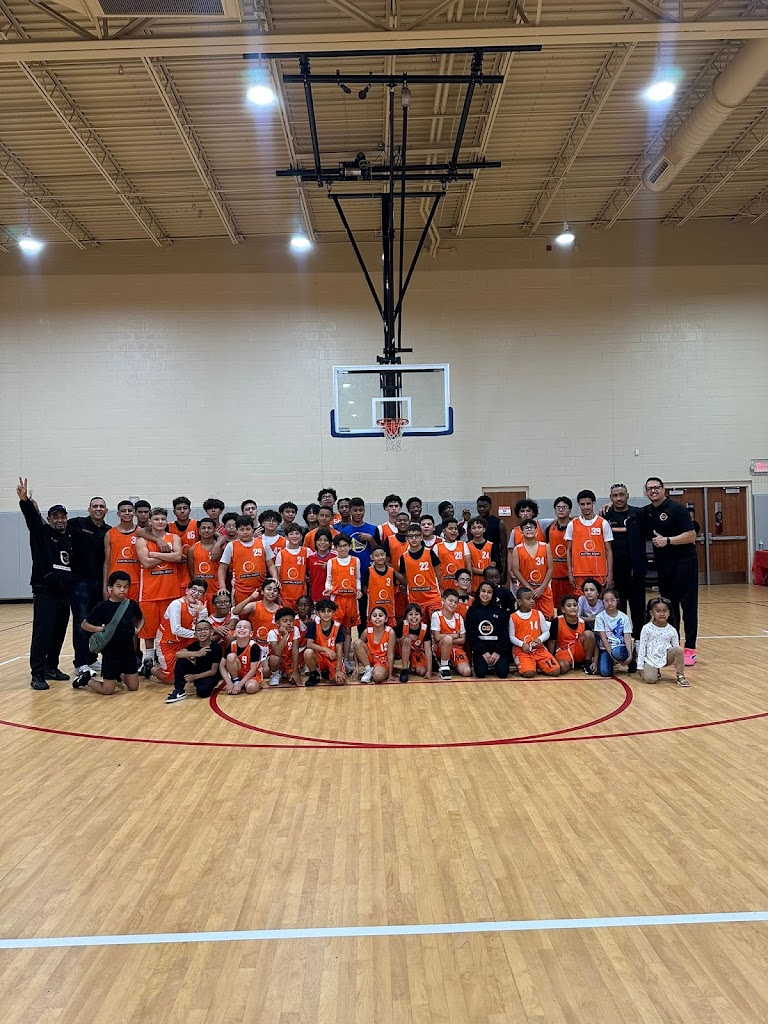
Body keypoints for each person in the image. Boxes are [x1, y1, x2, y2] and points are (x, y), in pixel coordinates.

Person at [17, 477, 74, 690]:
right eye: (55, 517)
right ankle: (37, 674)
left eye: (62, 516)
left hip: (64, 594)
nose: (59, 520)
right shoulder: (42, 534)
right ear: (49, 519)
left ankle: (51, 667)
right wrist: (25, 502)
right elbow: (33, 520)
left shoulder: (69, 538)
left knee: (59, 633)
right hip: (46, 593)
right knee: (43, 634)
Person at [643, 477, 699, 667]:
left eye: (656, 487)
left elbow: (691, 535)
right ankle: (674, 645)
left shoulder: (678, 509)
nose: (653, 491)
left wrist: (667, 540)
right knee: (669, 606)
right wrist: (608, 505)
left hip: (684, 562)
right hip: (664, 565)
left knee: (688, 605)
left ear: (663, 489)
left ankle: (690, 647)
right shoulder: (647, 512)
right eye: (649, 489)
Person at [77, 570, 144, 695]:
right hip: (111, 654)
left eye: (125, 587)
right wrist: (99, 629)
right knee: (107, 691)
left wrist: (138, 629)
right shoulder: (102, 606)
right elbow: (84, 624)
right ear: (110, 588)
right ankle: (85, 680)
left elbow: (141, 617)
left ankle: (119, 674)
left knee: (134, 687)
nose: (122, 590)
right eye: (118, 586)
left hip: (129, 652)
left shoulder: (131, 604)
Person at [136, 507, 183, 677]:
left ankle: (163, 659)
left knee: (168, 629)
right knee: (149, 629)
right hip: (149, 593)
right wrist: (166, 555)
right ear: (150, 521)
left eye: (163, 519)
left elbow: (178, 557)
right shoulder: (141, 540)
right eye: (156, 519)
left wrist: (154, 554)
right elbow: (146, 563)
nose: (160, 522)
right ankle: (148, 659)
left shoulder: (174, 537)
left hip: (170, 592)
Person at [67, 494, 110, 679]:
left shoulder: (108, 531)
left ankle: (92, 658)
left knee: (96, 623)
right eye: (95, 506)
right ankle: (80, 662)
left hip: (101, 583)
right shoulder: (77, 524)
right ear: (89, 509)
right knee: (81, 622)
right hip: (80, 582)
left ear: (106, 510)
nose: (98, 509)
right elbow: (53, 526)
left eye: (101, 506)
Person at [603, 483, 646, 644]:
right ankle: (619, 642)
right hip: (615, 572)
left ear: (628, 495)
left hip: (636, 571)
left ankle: (639, 641)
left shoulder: (639, 514)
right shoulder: (606, 516)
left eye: (622, 495)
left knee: (638, 608)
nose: (619, 498)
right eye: (615, 496)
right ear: (610, 498)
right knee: (617, 607)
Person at [151, 579, 209, 684]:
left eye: (200, 592)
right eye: (194, 589)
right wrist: (196, 634)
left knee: (205, 640)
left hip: (185, 640)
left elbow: (202, 627)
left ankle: (193, 665)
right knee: (171, 680)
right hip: (167, 642)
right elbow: (176, 629)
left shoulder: (200, 607)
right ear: (187, 590)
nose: (196, 593)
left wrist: (203, 613)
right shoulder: (176, 604)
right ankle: (153, 669)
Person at [218, 515, 276, 605]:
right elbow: (222, 569)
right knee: (239, 613)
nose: (245, 532)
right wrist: (222, 587)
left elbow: (271, 565)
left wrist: (275, 579)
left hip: (260, 590)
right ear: (237, 531)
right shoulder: (231, 546)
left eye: (248, 529)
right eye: (242, 529)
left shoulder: (263, 543)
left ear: (253, 529)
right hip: (240, 591)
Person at [565, 489, 613, 593]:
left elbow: (608, 550)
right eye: (582, 504)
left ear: (593, 503)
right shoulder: (572, 524)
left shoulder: (603, 523)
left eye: (588, 504)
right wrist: (570, 573)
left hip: (599, 572)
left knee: (599, 600)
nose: (585, 507)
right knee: (580, 601)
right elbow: (568, 550)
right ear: (579, 505)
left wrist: (610, 574)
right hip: (579, 573)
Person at [164, 618, 223, 703]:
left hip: (210, 675)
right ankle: (179, 690)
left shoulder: (216, 647)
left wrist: (195, 677)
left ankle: (199, 683)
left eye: (205, 629)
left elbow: (213, 671)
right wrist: (197, 653)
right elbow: (178, 654)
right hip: (197, 670)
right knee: (181, 660)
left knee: (203, 692)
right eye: (199, 630)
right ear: (195, 634)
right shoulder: (194, 645)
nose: (202, 632)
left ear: (211, 632)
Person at [636, 596, 689, 687]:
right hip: (651, 658)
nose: (662, 614)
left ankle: (680, 675)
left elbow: (675, 648)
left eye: (665, 611)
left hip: (665, 657)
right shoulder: (646, 628)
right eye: (658, 611)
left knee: (679, 649)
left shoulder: (672, 630)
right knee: (650, 680)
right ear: (651, 613)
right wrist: (640, 666)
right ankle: (655, 671)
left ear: (669, 613)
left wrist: (677, 663)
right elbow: (642, 647)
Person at [325, 534, 361, 667]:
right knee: (335, 629)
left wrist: (358, 590)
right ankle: (335, 657)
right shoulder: (331, 562)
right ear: (335, 548)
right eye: (339, 546)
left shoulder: (355, 560)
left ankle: (346, 659)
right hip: (337, 600)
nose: (343, 548)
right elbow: (329, 579)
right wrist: (328, 589)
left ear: (350, 546)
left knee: (347, 630)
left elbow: (357, 578)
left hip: (351, 600)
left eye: (345, 545)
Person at [508, 587, 560, 678]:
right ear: (519, 602)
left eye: (533, 598)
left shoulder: (538, 613)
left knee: (556, 671)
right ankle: (526, 664)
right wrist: (522, 644)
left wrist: (540, 639)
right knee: (528, 673)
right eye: (528, 599)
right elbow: (511, 636)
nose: (532, 601)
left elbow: (546, 632)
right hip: (522, 650)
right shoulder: (513, 617)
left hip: (539, 649)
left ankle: (537, 664)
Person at [464, 581, 511, 678]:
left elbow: (505, 634)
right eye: (483, 591)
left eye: (489, 592)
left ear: (493, 594)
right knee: (480, 673)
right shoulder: (472, 611)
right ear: (479, 592)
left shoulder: (500, 611)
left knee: (503, 673)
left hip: (497, 650)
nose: (486, 594)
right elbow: (471, 634)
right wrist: (483, 652)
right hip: (481, 651)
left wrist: (497, 652)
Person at [510, 519, 554, 619]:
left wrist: (542, 588)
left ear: (536, 531)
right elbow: (516, 570)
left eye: (532, 527)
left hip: (544, 589)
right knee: (528, 617)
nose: (529, 530)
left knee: (547, 618)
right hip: (526, 590)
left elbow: (550, 568)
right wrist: (528, 588)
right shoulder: (517, 549)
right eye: (526, 528)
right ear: (521, 532)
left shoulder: (545, 546)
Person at [399, 524, 443, 619]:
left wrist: (438, 587)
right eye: (411, 536)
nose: (414, 539)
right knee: (419, 626)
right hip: (415, 600)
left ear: (422, 537)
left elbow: (438, 573)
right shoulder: (403, 557)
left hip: (433, 597)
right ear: (406, 539)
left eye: (417, 536)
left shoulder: (429, 552)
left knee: (437, 623)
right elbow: (405, 577)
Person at [548, 594, 596, 675]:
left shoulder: (583, 622)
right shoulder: (557, 621)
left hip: (579, 650)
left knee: (589, 634)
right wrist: (550, 658)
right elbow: (552, 642)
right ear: (563, 609)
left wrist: (595, 661)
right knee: (562, 667)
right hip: (563, 651)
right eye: (569, 606)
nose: (572, 607)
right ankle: (572, 664)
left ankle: (587, 663)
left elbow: (593, 642)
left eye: (575, 605)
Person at [304, 598, 346, 686]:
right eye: (323, 611)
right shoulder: (314, 625)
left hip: (333, 659)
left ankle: (327, 672)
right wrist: (326, 649)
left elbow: (339, 649)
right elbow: (309, 644)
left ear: (333, 612)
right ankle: (314, 674)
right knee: (308, 652)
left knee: (340, 681)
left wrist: (338, 670)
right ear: (318, 613)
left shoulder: (338, 626)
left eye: (329, 611)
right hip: (319, 657)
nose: (326, 614)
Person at [431, 589, 471, 680]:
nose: (453, 604)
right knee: (448, 639)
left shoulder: (459, 617)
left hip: (456, 649)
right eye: (450, 601)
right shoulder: (436, 615)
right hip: (440, 648)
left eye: (456, 602)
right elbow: (437, 637)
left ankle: (452, 663)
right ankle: (444, 666)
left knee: (467, 672)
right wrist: (454, 636)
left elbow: (463, 639)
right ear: (443, 600)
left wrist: (449, 640)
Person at [103, 500, 140, 601]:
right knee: (116, 610)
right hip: (116, 582)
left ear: (134, 513)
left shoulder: (141, 532)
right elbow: (107, 562)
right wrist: (105, 586)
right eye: (123, 511)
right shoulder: (110, 534)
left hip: (136, 581)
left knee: (134, 610)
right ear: (118, 514)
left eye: (130, 510)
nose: (127, 513)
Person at [594, 587, 633, 677]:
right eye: (606, 600)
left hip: (620, 647)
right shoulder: (599, 617)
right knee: (604, 672)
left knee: (617, 652)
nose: (609, 603)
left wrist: (630, 654)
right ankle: (611, 661)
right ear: (603, 602)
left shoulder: (624, 617)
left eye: (612, 600)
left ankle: (631, 656)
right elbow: (603, 639)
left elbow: (627, 636)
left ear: (617, 601)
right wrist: (612, 656)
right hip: (606, 649)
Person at [221, 619, 264, 694]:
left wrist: (240, 685)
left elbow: (253, 670)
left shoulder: (254, 647)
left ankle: (242, 684)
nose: (242, 629)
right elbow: (221, 666)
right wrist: (228, 682)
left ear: (251, 633)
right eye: (239, 627)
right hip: (238, 674)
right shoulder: (232, 645)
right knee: (231, 656)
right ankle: (235, 680)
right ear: (234, 632)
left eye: (245, 627)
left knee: (251, 688)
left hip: (252, 675)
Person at [354, 605, 395, 683]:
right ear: (370, 619)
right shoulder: (367, 631)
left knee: (378, 677)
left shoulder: (390, 632)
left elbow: (390, 654)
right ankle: (368, 670)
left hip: (382, 661)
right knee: (357, 642)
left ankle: (374, 671)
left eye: (380, 615)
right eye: (374, 616)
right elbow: (357, 649)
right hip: (369, 659)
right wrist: (356, 667)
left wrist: (390, 675)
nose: (377, 618)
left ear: (386, 619)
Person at [187, 518, 221, 609]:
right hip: (199, 595)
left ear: (214, 530)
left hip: (216, 592)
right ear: (199, 531)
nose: (206, 530)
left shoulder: (221, 549)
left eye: (209, 528)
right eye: (203, 528)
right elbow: (192, 574)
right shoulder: (192, 549)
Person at [546, 497, 572, 612]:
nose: (561, 510)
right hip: (555, 575)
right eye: (558, 508)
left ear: (570, 510)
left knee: (571, 606)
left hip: (571, 576)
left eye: (564, 507)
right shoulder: (550, 528)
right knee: (556, 607)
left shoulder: (575, 526)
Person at [274, 525, 309, 610]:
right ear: (286, 537)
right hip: (285, 596)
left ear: (301, 536)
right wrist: (278, 595)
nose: (294, 536)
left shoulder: (307, 551)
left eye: (297, 533)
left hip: (301, 596)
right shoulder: (281, 554)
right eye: (291, 534)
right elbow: (278, 577)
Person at [266, 606, 303, 687]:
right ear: (277, 622)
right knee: (274, 659)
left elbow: (295, 651)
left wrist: (295, 672)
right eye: (285, 621)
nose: (289, 623)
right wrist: (285, 635)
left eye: (291, 620)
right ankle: (275, 674)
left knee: (293, 681)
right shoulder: (272, 633)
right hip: (278, 660)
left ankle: (284, 673)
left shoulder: (295, 629)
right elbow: (277, 652)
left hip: (289, 661)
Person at [396, 603, 432, 682]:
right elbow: (395, 641)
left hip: (416, 652)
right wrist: (406, 637)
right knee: (407, 640)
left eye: (416, 614)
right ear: (406, 617)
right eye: (410, 614)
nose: (413, 616)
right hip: (401, 650)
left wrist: (429, 671)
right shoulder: (402, 624)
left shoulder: (425, 628)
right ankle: (404, 669)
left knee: (422, 672)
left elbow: (428, 650)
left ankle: (412, 665)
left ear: (421, 617)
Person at [168, 496, 198, 593]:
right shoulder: (167, 527)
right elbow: (143, 531)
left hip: (193, 569)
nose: (182, 511)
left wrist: (217, 545)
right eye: (179, 509)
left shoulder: (197, 525)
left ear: (190, 510)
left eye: (185, 508)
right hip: (175, 570)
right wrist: (158, 540)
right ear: (174, 512)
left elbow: (220, 536)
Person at [363, 546, 397, 626]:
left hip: (389, 610)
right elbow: (365, 589)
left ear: (385, 554)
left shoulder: (391, 571)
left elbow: (394, 588)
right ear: (372, 557)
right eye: (377, 555)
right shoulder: (369, 571)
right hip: (373, 610)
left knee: (390, 631)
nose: (380, 557)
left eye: (382, 554)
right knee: (373, 631)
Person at [434, 518, 470, 584]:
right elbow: (434, 570)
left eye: (455, 529)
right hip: (444, 585)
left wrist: (469, 584)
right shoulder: (437, 547)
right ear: (444, 531)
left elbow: (468, 566)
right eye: (450, 529)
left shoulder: (463, 544)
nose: (454, 531)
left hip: (461, 586)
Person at [466, 516, 495, 594]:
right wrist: (483, 571)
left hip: (488, 581)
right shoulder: (466, 546)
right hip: (473, 582)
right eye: (474, 528)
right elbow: (467, 566)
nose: (477, 530)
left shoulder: (491, 545)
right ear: (470, 530)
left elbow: (493, 564)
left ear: (484, 529)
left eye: (479, 527)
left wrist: (487, 572)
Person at [307, 528, 336, 603]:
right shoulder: (310, 558)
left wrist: (330, 567)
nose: (322, 542)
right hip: (315, 596)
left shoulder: (335, 557)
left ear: (330, 543)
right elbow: (306, 574)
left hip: (332, 596)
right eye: (319, 540)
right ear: (315, 542)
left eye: (326, 540)